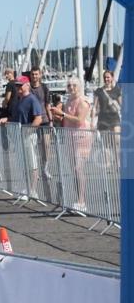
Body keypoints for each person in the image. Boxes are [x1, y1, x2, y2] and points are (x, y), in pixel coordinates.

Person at [59, 80, 92, 210]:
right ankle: (78, 199)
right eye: (69, 86)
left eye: (74, 85)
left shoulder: (82, 102)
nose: (71, 88)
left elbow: (79, 120)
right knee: (73, 169)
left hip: (82, 137)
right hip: (70, 137)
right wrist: (60, 116)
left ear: (79, 87)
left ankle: (82, 200)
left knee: (79, 168)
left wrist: (62, 114)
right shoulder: (68, 101)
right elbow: (67, 118)